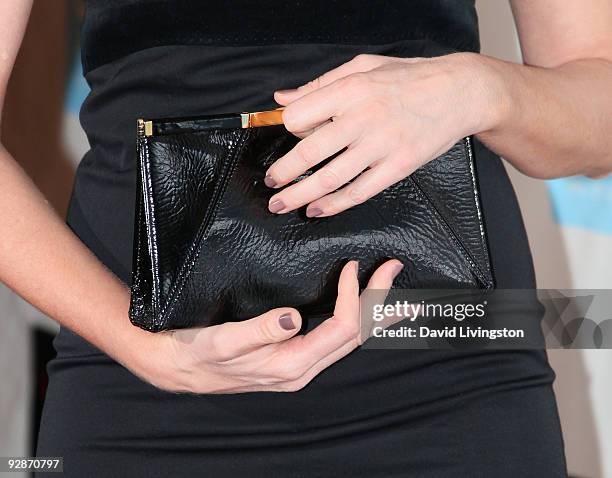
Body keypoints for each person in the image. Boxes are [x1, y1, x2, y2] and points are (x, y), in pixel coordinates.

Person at [0, 0, 609, 476]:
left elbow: (597, 120)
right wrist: (147, 352)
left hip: (446, 371)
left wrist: (479, 88)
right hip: (147, 373)